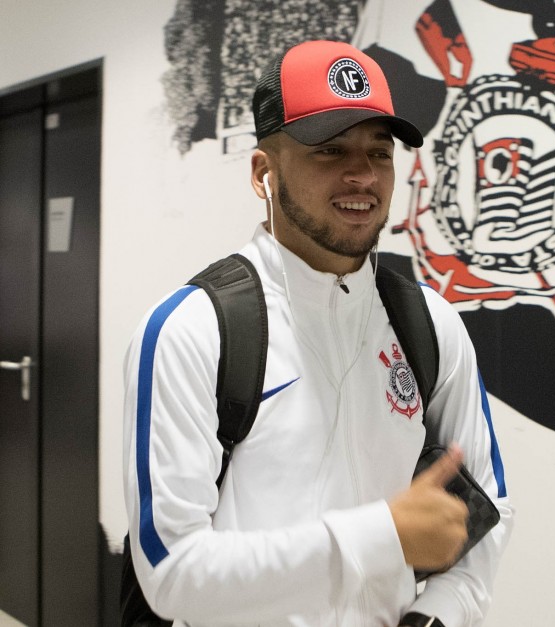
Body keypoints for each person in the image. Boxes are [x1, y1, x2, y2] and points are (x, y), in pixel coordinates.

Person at [123, 40, 512, 627]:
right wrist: (381, 536)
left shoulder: (431, 324)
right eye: (330, 150)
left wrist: (435, 616)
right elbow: (172, 572)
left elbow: (486, 509)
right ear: (263, 172)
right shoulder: (191, 330)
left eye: (379, 152)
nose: (362, 175)